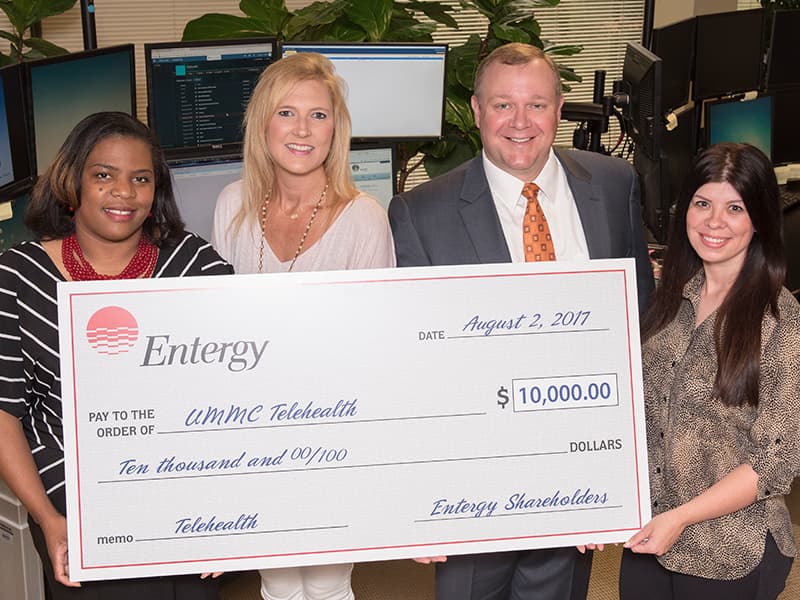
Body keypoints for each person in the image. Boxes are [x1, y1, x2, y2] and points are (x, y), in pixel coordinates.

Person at [388, 42, 654, 600]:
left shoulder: (614, 184)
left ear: (560, 108)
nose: (519, 122)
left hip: (580, 465)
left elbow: (640, 322)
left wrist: (620, 467)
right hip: (474, 477)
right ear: (477, 110)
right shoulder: (420, 212)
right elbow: (415, 362)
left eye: (536, 104)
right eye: (502, 105)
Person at [0, 111, 233, 599]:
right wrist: (48, 519)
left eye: (140, 179)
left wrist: (225, 508)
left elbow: (235, 400)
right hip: (74, 511)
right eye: (104, 175)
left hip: (184, 503)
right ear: (71, 183)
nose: (124, 192)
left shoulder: (195, 268)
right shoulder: (18, 276)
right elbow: (4, 412)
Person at [212, 53, 394, 600]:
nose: (301, 130)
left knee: (326, 582)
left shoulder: (364, 219)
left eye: (318, 115)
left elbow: (375, 350)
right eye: (287, 112)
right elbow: (216, 331)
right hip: (251, 431)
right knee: (277, 580)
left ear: (335, 128)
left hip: (328, 434)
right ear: (262, 123)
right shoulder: (232, 207)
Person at [619, 143, 799, 600]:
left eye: (734, 208)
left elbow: (773, 464)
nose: (714, 222)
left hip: (728, 548)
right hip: (649, 535)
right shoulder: (669, 301)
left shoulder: (783, 323)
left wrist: (679, 518)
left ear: (758, 219)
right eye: (703, 203)